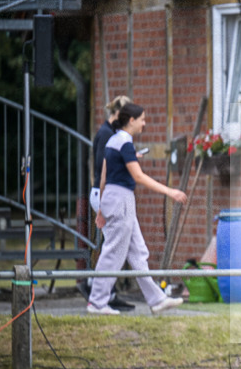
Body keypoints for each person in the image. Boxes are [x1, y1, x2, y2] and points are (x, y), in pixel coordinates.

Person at [88, 101, 187, 315]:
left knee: (138, 253)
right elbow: (138, 176)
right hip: (122, 200)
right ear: (131, 120)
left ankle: (157, 300)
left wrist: (102, 209)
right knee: (114, 252)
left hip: (116, 200)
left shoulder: (114, 141)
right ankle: (97, 302)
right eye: (142, 119)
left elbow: (104, 177)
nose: (144, 123)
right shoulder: (125, 143)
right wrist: (170, 192)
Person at [79, 95, 136, 310]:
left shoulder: (111, 133)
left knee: (112, 243)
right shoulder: (106, 134)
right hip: (103, 194)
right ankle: (98, 290)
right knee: (113, 245)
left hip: (108, 193)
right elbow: (104, 167)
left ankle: (103, 290)